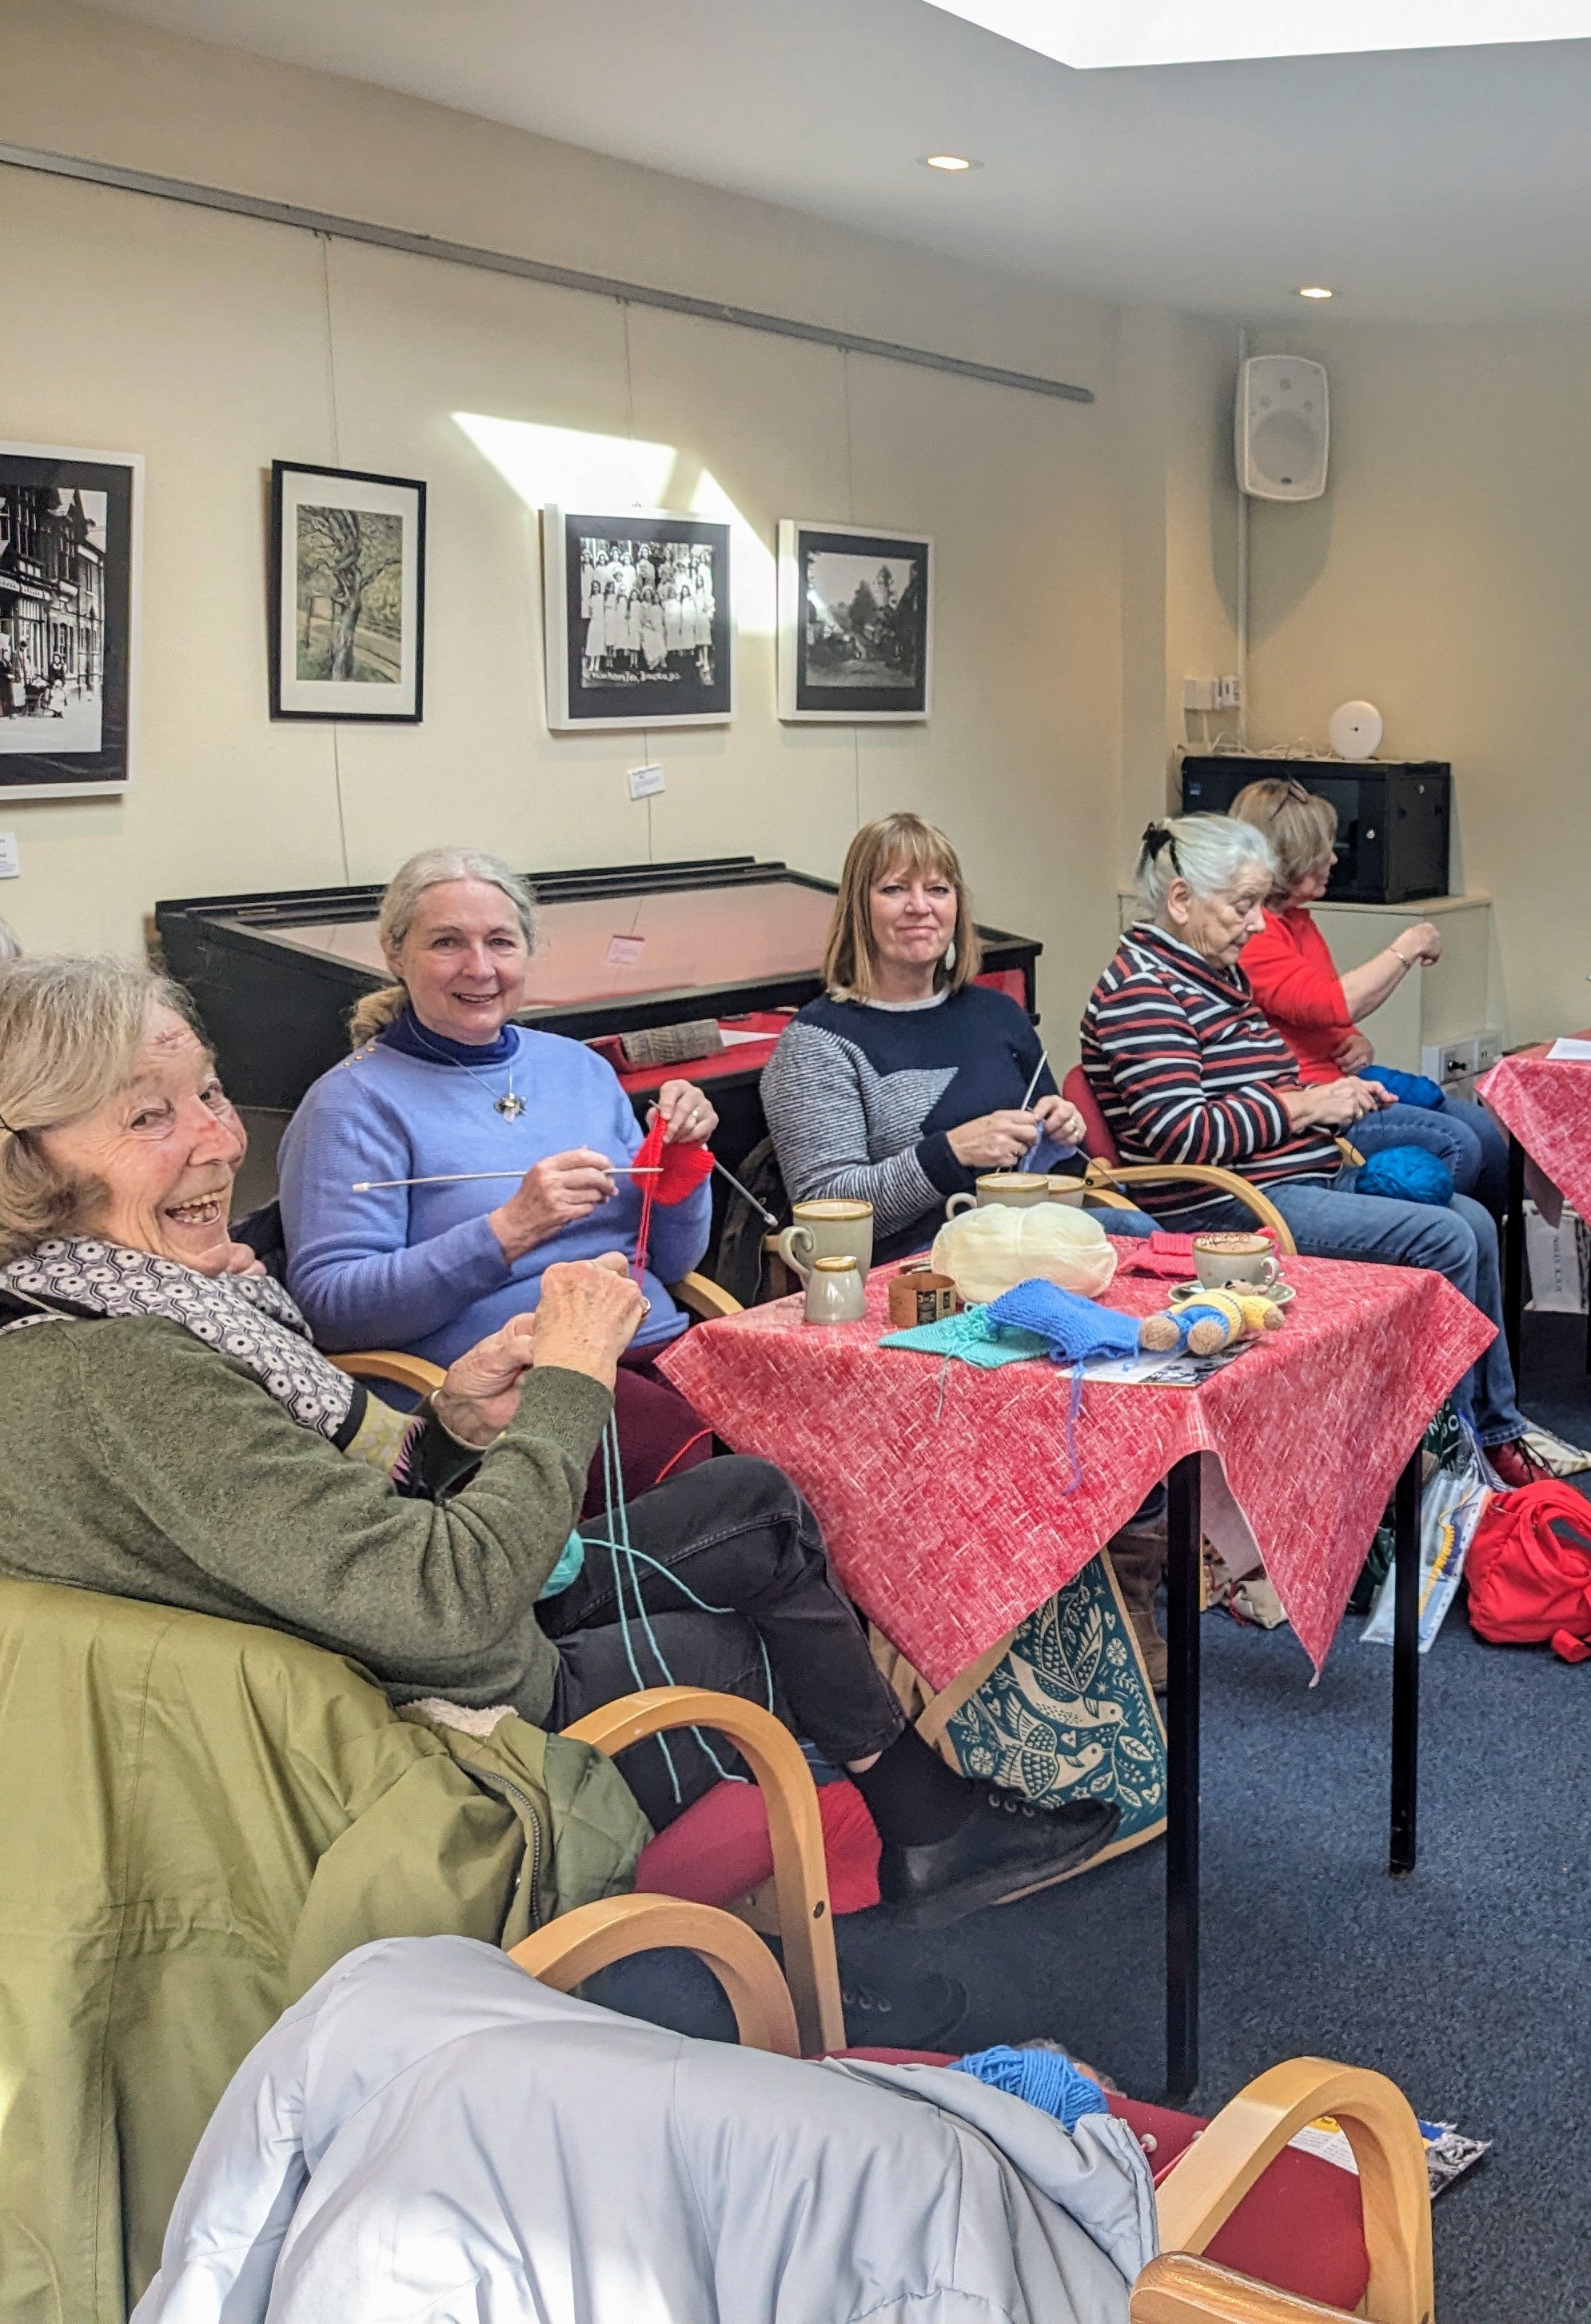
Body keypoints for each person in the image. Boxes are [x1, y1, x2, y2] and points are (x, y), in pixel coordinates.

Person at [0, 955, 1115, 1929]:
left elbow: (296, 1510)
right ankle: (755, 1966)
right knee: (746, 1642)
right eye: (149, 1117)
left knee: (765, 1502)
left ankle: (909, 1845)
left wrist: (450, 1428)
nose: (219, 1138)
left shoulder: (115, 1311)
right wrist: (560, 1367)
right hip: (416, 1723)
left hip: (387, 1599)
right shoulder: (131, 1364)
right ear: (25, 1164)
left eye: (208, 1092)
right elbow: (440, 1596)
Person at [1082, 817, 1554, 1491]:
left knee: (1474, 1223)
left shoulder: (1214, 974)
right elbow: (1181, 1133)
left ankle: (1491, 1433)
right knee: (1447, 1235)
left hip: (1280, 1171)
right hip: (1221, 1206)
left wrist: (1324, 1093)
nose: (1255, 924)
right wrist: (1305, 1106)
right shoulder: (1142, 991)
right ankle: (1446, 1465)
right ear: (1182, 901)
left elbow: (1256, 1086)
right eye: (1242, 905)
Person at [279, 849, 724, 1503]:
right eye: (447, 943)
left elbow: (673, 1258)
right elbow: (331, 1308)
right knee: (731, 1490)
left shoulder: (578, 1067)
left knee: (815, 1444)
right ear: (394, 954)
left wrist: (681, 1171)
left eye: (499, 942)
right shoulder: (351, 1105)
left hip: (652, 1347)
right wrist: (510, 1229)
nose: (480, 968)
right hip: (510, 1387)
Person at [763, 813, 1094, 1266]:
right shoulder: (816, 1045)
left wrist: (1065, 1133)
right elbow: (827, 1214)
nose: (920, 906)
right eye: (895, 889)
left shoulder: (999, 1014)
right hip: (914, 1277)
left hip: (1032, 1248)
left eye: (937, 889)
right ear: (860, 909)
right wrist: (951, 1153)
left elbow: (1063, 1173)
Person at [1228, 776, 1510, 1205]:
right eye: (1322, 850)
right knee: (1460, 1143)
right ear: (1290, 859)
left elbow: (1320, 1012)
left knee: (1488, 1130)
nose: (1333, 860)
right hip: (1310, 1102)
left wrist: (1351, 1040)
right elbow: (1331, 1003)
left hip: (1341, 1081)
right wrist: (1409, 945)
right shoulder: (1257, 935)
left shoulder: (1297, 920)